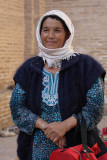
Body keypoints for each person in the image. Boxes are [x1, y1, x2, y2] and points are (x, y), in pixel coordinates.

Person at [10, 10, 106, 160]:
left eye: (57, 30)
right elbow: (17, 107)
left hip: (77, 147)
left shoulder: (86, 66)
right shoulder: (29, 69)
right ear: (39, 33)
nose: (50, 36)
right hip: (37, 149)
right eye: (45, 30)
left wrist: (64, 126)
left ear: (68, 34)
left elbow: (95, 107)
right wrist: (45, 126)